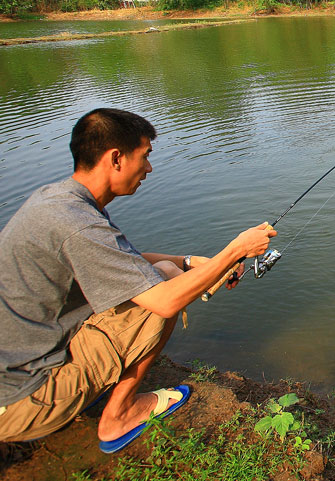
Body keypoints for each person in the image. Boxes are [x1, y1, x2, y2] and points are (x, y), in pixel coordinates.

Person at [0, 108, 276, 453]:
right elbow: (165, 301)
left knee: (165, 271)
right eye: (144, 157)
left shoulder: (57, 200)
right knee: (162, 290)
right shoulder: (79, 223)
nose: (149, 168)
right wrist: (235, 250)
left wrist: (190, 262)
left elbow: (117, 260)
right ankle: (119, 415)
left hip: (13, 371)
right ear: (116, 158)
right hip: (20, 400)